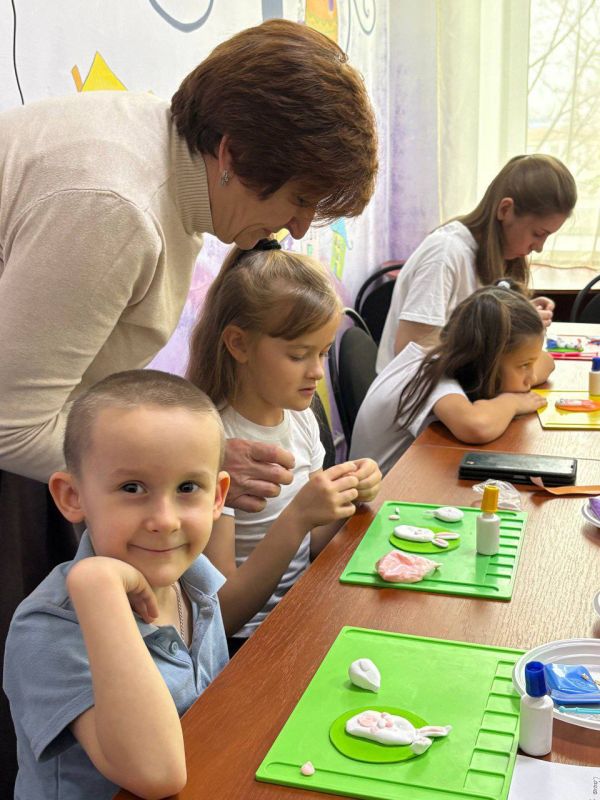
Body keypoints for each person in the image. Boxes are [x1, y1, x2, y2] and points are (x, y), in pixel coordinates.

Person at [0, 19, 378, 790]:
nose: (302, 226)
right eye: (301, 197)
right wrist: (174, 463)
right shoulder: (115, 203)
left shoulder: (161, 164)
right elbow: (12, 421)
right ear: (233, 152)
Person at [3, 369, 231, 800]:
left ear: (217, 496)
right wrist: (98, 587)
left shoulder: (193, 580)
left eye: (188, 487)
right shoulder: (48, 628)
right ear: (73, 497)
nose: (164, 520)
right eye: (132, 487)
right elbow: (154, 774)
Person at [187, 240, 382, 647]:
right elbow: (220, 617)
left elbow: (312, 547)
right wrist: (298, 516)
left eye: (324, 353)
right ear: (239, 344)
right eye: (298, 356)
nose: (316, 372)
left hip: (302, 614)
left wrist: (349, 496)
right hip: (246, 645)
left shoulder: (300, 416)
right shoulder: (216, 443)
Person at [376, 154, 577, 373]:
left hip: (452, 388)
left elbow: (474, 323)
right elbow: (410, 349)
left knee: (544, 364)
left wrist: (520, 317)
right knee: (538, 367)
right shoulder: (445, 253)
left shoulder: (490, 255)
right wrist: (505, 330)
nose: (539, 247)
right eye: (538, 233)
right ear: (505, 210)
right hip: (418, 397)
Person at [351, 283, 553, 475]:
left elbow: (548, 363)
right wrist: (512, 402)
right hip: (376, 500)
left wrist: (522, 368)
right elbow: (476, 426)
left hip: (407, 484)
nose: (532, 376)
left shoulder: (451, 359)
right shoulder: (429, 376)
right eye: (524, 365)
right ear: (487, 362)